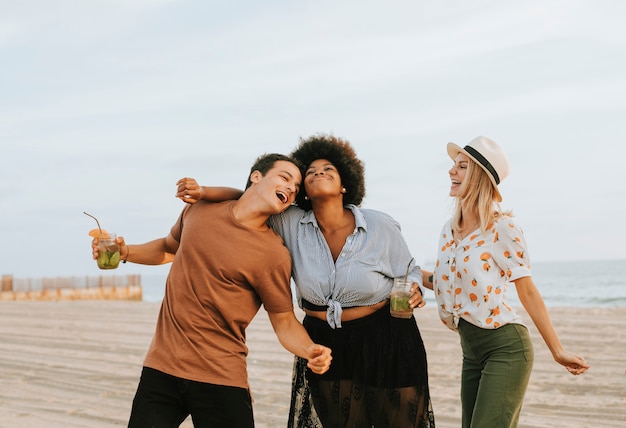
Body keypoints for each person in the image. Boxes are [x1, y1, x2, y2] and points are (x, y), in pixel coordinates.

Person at [177, 134, 436, 428]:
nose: (318, 173)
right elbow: (247, 195)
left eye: (328, 170)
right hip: (323, 342)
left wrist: (414, 289)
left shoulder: (379, 224)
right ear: (304, 191)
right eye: (310, 172)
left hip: (387, 339)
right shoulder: (289, 222)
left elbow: (409, 269)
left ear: (344, 184)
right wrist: (203, 192)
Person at [91, 153, 332, 428]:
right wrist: (125, 251)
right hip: (162, 368)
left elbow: (284, 321)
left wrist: (310, 349)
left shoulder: (273, 254)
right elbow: (169, 248)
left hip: (221, 376)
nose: (291, 188)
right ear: (256, 176)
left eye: (296, 188)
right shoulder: (200, 209)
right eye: (285, 178)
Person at [420, 136, 589, 428]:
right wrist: (402, 272)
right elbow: (446, 284)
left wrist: (557, 350)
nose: (451, 172)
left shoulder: (502, 227)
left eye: (462, 166)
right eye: (453, 166)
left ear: (481, 178)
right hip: (470, 352)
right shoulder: (449, 230)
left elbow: (528, 292)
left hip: (505, 349)